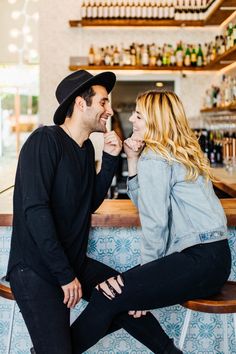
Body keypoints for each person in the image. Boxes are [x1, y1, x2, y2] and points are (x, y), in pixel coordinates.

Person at [6, 71, 175, 354]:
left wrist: (110, 159)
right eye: (103, 102)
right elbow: (35, 211)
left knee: (125, 295)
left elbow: (87, 203)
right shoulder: (44, 140)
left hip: (72, 262)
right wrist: (64, 275)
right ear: (80, 104)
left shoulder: (84, 150)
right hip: (35, 269)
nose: (109, 110)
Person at [70, 90, 231, 354]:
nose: (131, 118)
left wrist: (144, 282)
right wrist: (133, 161)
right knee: (112, 298)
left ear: (156, 121)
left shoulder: (158, 158)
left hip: (199, 260)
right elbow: (147, 203)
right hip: (214, 259)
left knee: (108, 294)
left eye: (139, 115)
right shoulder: (173, 153)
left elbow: (155, 223)